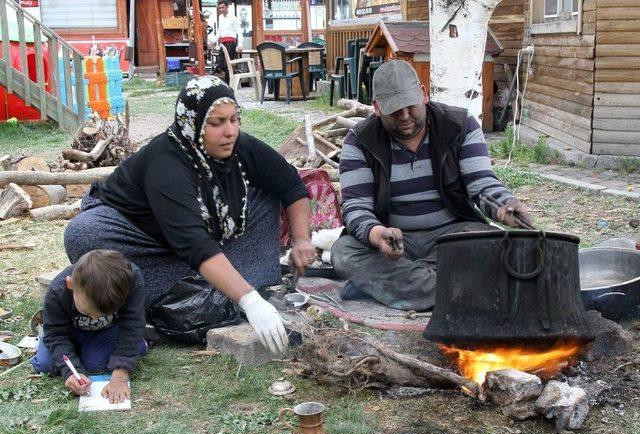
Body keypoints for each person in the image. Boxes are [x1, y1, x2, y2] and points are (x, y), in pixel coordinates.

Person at [64, 76, 316, 355]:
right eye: (216, 123)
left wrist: (302, 239)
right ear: (191, 123)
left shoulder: (239, 146)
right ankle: (194, 287)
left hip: (195, 242)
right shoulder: (167, 163)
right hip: (140, 238)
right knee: (84, 234)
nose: (229, 131)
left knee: (266, 197)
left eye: (234, 119)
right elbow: (192, 242)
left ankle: (210, 282)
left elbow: (290, 183)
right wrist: (250, 301)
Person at [331, 60, 532, 311]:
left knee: (498, 244)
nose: (405, 117)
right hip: (395, 245)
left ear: (424, 94)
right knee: (343, 252)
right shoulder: (359, 141)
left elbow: (481, 184)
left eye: (410, 106)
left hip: (452, 237)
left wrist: (504, 204)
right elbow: (356, 207)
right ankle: (458, 289)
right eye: (394, 110)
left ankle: (395, 286)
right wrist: (377, 234)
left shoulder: (460, 125)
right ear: (377, 107)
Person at [31, 250, 147, 404]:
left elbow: (132, 324)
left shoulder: (131, 280)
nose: (95, 319)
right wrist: (71, 373)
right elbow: (57, 334)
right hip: (69, 332)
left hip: (108, 331)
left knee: (94, 364)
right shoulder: (57, 291)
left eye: (104, 313)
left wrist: (120, 376)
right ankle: (76, 350)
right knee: (44, 365)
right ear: (70, 284)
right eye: (87, 312)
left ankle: (137, 344)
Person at [210, 0, 243, 83]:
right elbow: (219, 32)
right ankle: (227, 81)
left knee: (227, 65)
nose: (221, 9)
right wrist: (213, 40)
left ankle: (229, 84)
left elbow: (239, 31)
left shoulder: (233, 18)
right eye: (220, 8)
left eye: (223, 7)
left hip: (231, 43)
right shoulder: (220, 17)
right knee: (220, 64)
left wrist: (240, 45)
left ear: (227, 7)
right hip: (223, 43)